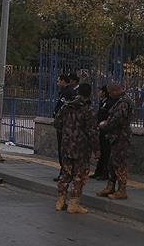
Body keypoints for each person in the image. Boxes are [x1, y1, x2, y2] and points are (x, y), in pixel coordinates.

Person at [53, 83, 99, 214]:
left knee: (65, 174)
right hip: (81, 148)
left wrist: (67, 132)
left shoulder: (67, 106)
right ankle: (74, 203)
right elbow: (92, 132)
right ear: (89, 93)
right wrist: (97, 150)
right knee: (79, 175)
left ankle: (60, 201)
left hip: (66, 145)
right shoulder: (88, 110)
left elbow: (57, 123)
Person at [96, 83, 134, 200]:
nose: (110, 95)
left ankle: (122, 190)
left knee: (119, 164)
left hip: (121, 137)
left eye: (111, 92)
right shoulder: (119, 101)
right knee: (112, 163)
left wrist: (105, 124)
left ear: (116, 91)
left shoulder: (123, 102)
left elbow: (116, 119)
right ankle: (111, 186)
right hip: (115, 137)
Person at [53, 74, 75, 181]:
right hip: (63, 125)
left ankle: (65, 172)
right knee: (63, 150)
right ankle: (65, 171)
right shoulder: (65, 92)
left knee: (64, 150)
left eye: (58, 81)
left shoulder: (68, 92)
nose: (57, 83)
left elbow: (64, 109)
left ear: (63, 81)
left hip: (65, 125)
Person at [91, 86, 113, 180]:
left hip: (106, 130)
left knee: (106, 152)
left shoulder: (109, 103)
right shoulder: (102, 102)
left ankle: (105, 173)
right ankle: (98, 171)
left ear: (104, 92)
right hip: (100, 129)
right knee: (102, 152)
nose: (98, 92)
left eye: (100, 91)